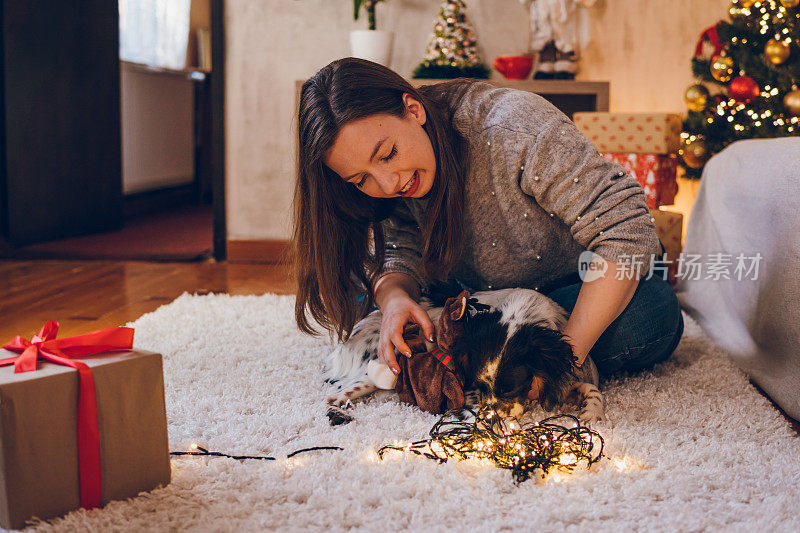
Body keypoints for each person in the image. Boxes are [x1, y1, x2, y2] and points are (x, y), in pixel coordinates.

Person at [291, 57, 683, 400]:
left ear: (413, 109)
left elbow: (627, 230)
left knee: (652, 313)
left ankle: (462, 361)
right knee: (359, 289)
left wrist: (565, 358)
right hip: (464, 299)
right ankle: (482, 360)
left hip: (561, 292)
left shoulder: (514, 129)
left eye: (388, 154)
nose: (388, 184)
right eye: (362, 180)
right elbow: (397, 246)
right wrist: (394, 298)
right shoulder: (389, 180)